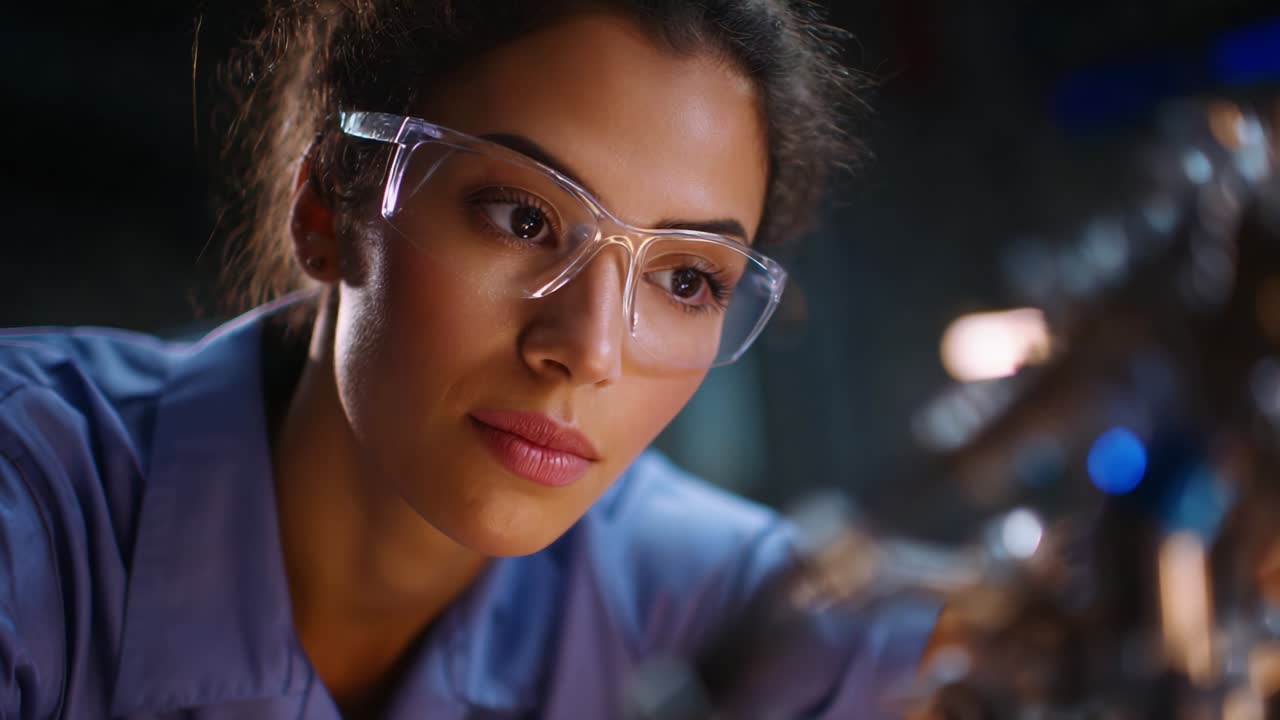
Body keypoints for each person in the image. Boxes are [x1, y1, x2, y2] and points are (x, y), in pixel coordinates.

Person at [0, 1, 937, 718]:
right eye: (523, 219)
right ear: (328, 206)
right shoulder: (33, 505)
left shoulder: (719, 599)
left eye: (686, 279)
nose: (589, 350)